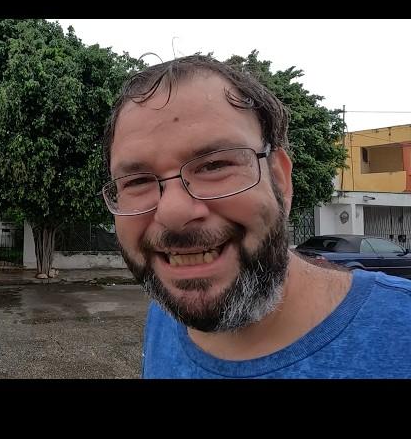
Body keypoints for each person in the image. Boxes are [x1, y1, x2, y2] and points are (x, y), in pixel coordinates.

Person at [101, 54, 411, 378]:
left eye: (214, 165)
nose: (173, 212)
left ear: (280, 179)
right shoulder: (167, 314)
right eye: (136, 182)